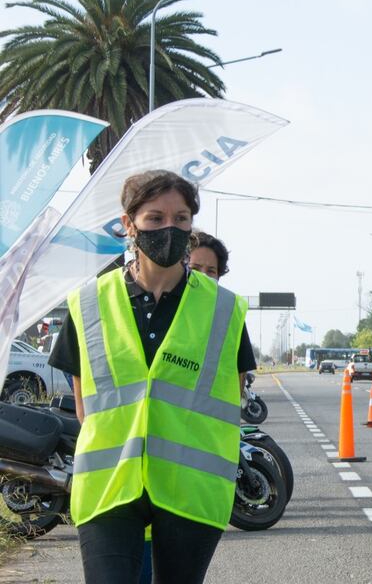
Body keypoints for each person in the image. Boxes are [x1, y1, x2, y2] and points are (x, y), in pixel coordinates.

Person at [47, 170, 255, 584]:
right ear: (129, 225)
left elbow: (230, 399)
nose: (169, 228)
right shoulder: (88, 303)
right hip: (109, 486)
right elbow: (85, 402)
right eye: (155, 218)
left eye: (181, 218)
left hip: (190, 487)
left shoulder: (224, 309)